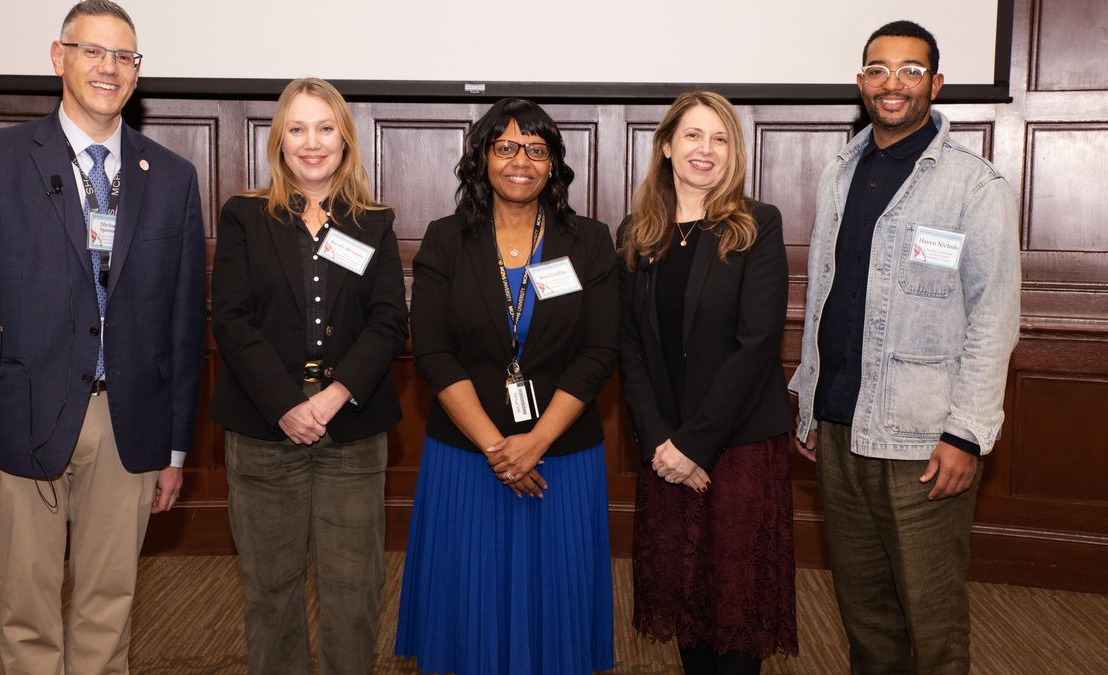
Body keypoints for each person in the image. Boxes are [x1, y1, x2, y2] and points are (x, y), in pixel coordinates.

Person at [0, 1, 206, 672]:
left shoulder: (171, 177)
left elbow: (183, 319)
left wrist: (175, 444)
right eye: (93, 51)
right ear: (60, 58)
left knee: (109, 605)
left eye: (124, 57)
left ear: (137, 73)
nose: (108, 68)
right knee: (27, 613)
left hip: (130, 424)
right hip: (19, 418)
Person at [787, 20, 1021, 675]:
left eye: (911, 70)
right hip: (838, 427)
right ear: (862, 82)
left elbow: (994, 319)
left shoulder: (975, 187)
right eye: (879, 70)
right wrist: (809, 400)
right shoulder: (841, 171)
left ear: (935, 84)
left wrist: (967, 434)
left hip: (924, 441)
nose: (894, 84)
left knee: (932, 620)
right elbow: (826, 294)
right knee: (865, 616)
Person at [395, 98, 617, 675]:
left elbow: (599, 353)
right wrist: (500, 449)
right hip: (468, 458)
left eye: (538, 150)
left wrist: (535, 443)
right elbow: (435, 352)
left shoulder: (590, 241)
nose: (522, 161)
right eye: (507, 147)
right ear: (483, 159)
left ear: (554, 165)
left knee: (555, 609)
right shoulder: (446, 239)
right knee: (468, 604)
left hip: (561, 459)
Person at [209, 77, 408, 675]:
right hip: (264, 432)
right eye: (297, 128)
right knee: (270, 588)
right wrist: (287, 405)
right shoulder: (245, 216)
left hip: (352, 431)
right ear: (279, 140)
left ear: (345, 141)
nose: (312, 142)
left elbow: (389, 322)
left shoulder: (371, 222)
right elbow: (233, 320)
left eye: (325, 129)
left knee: (354, 589)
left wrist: (332, 398)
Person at [617, 90, 798, 674]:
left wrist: (695, 444)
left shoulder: (757, 225)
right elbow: (631, 348)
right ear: (667, 146)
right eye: (693, 135)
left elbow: (756, 345)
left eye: (720, 139)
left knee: (736, 617)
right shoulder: (637, 232)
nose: (706, 149)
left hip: (738, 449)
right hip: (665, 449)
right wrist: (660, 441)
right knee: (687, 606)